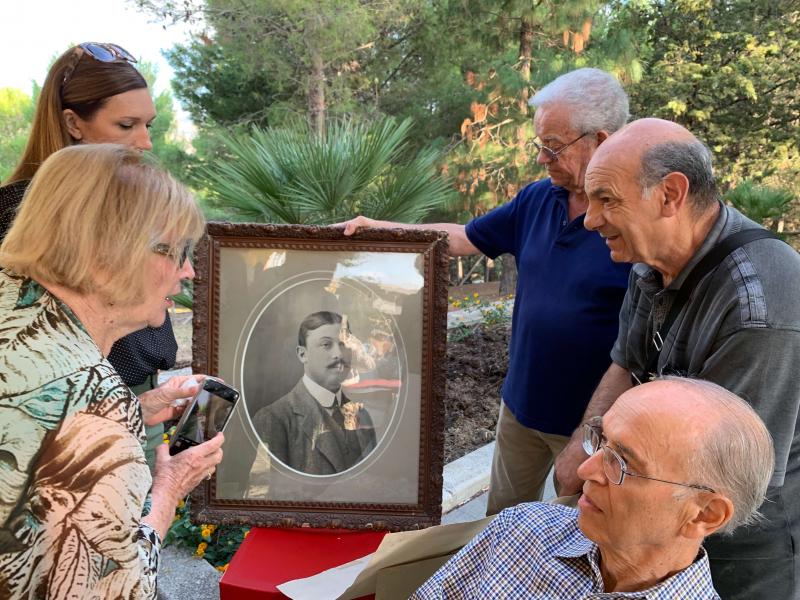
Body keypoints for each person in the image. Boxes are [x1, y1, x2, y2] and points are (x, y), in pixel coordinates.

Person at [341, 68, 632, 514]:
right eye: (540, 145)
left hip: (589, 425)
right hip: (520, 409)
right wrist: (379, 229)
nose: (542, 159)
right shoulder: (537, 199)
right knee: (501, 524)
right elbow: (462, 238)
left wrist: (595, 432)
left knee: (580, 540)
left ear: (602, 140)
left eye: (553, 147)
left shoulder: (636, 219)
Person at [554, 117, 800, 598]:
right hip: (662, 517)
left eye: (607, 199)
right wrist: (580, 453)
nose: (590, 219)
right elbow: (626, 362)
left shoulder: (761, 307)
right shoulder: (652, 259)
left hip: (739, 548)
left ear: (670, 194)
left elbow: (719, 477)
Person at [0, 144, 223, 598]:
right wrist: (169, 488)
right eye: (178, 251)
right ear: (111, 251)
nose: (189, 272)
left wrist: (139, 409)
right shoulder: (97, 411)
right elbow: (118, 588)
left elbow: (35, 425)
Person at [413, 377, 774, 599]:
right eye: (601, 442)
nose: (586, 470)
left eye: (623, 463)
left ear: (704, 514)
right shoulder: (521, 531)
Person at [0, 42, 173, 474]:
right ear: (73, 123)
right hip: (63, 425)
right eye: (127, 124)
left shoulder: (135, 201)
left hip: (144, 403)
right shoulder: (18, 212)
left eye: (148, 124)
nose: (145, 141)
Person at [251, 311, 377, 475]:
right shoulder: (273, 419)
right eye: (326, 345)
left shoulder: (361, 415)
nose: (338, 354)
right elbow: (264, 491)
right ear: (303, 354)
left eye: (343, 344)